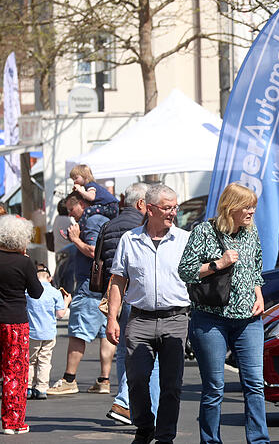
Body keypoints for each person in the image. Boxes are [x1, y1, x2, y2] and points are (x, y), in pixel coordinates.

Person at [178, 183, 268, 444]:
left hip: (249, 319)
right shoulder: (204, 231)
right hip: (211, 318)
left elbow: (256, 268)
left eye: (253, 206)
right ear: (231, 208)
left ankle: (259, 440)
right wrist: (219, 263)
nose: (252, 211)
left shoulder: (251, 232)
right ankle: (210, 441)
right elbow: (185, 270)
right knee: (214, 388)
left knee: (255, 385)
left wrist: (258, 295)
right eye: (247, 206)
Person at [106, 184, 190, 444]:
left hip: (176, 319)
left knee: (171, 385)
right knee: (137, 378)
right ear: (150, 208)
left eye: (175, 207)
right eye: (167, 207)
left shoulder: (185, 240)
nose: (172, 213)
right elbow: (118, 280)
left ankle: (165, 436)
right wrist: (112, 318)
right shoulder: (130, 240)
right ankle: (144, 426)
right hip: (139, 318)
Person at [99, 183, 160, 425]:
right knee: (146, 354)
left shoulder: (108, 224)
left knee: (125, 353)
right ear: (141, 204)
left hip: (115, 294)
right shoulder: (141, 228)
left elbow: (102, 262)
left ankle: (131, 407)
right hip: (136, 296)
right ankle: (126, 402)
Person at [47, 192, 116, 395]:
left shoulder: (92, 221)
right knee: (106, 333)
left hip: (90, 286)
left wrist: (75, 239)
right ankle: (104, 379)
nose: (70, 215)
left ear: (83, 204)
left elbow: (94, 251)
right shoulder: (103, 218)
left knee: (78, 333)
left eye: (72, 209)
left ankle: (70, 378)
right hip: (105, 286)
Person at [0, 215, 43, 434]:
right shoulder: (24, 262)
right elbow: (37, 292)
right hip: (15, 322)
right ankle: (12, 422)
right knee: (14, 372)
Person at [26, 264, 70, 400]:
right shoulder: (55, 292)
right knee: (44, 360)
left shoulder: (27, 292)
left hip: (32, 332)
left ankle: (27, 387)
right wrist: (67, 301)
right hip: (49, 333)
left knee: (30, 361)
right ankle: (41, 388)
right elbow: (60, 314)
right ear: (50, 278)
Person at [69, 164, 120, 229]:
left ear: (85, 176)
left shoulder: (90, 185)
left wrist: (81, 191)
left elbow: (91, 197)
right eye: (73, 179)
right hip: (111, 207)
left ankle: (78, 229)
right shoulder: (89, 186)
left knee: (87, 211)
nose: (74, 181)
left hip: (110, 207)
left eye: (76, 178)